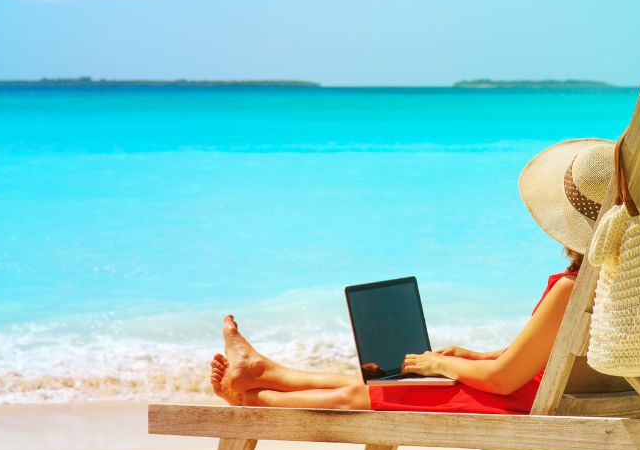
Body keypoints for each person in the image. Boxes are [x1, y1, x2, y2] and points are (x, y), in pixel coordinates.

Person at [209, 138, 617, 414]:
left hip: (526, 401)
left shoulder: (570, 288)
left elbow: (502, 380)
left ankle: (253, 402)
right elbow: (553, 353)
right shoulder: (617, 279)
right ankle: (267, 374)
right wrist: (477, 357)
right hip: (552, 390)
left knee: (364, 393)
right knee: (389, 381)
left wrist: (439, 364)